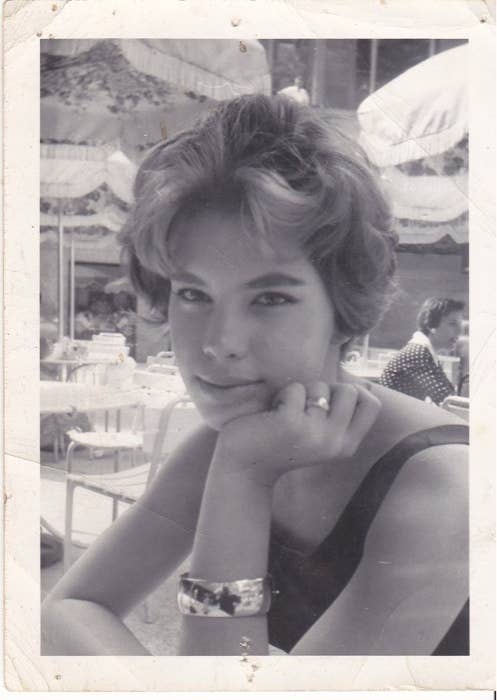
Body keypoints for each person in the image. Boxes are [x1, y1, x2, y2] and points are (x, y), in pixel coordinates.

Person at [41, 95, 468, 656]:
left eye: (269, 297)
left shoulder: (444, 492)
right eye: (193, 293)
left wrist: (243, 479)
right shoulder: (237, 439)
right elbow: (71, 607)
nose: (218, 344)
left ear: (345, 310)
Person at [380, 298, 465, 405]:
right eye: (453, 324)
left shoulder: (423, 351)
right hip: (394, 420)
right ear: (431, 325)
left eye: (460, 325)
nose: (460, 331)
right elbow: (450, 402)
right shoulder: (418, 354)